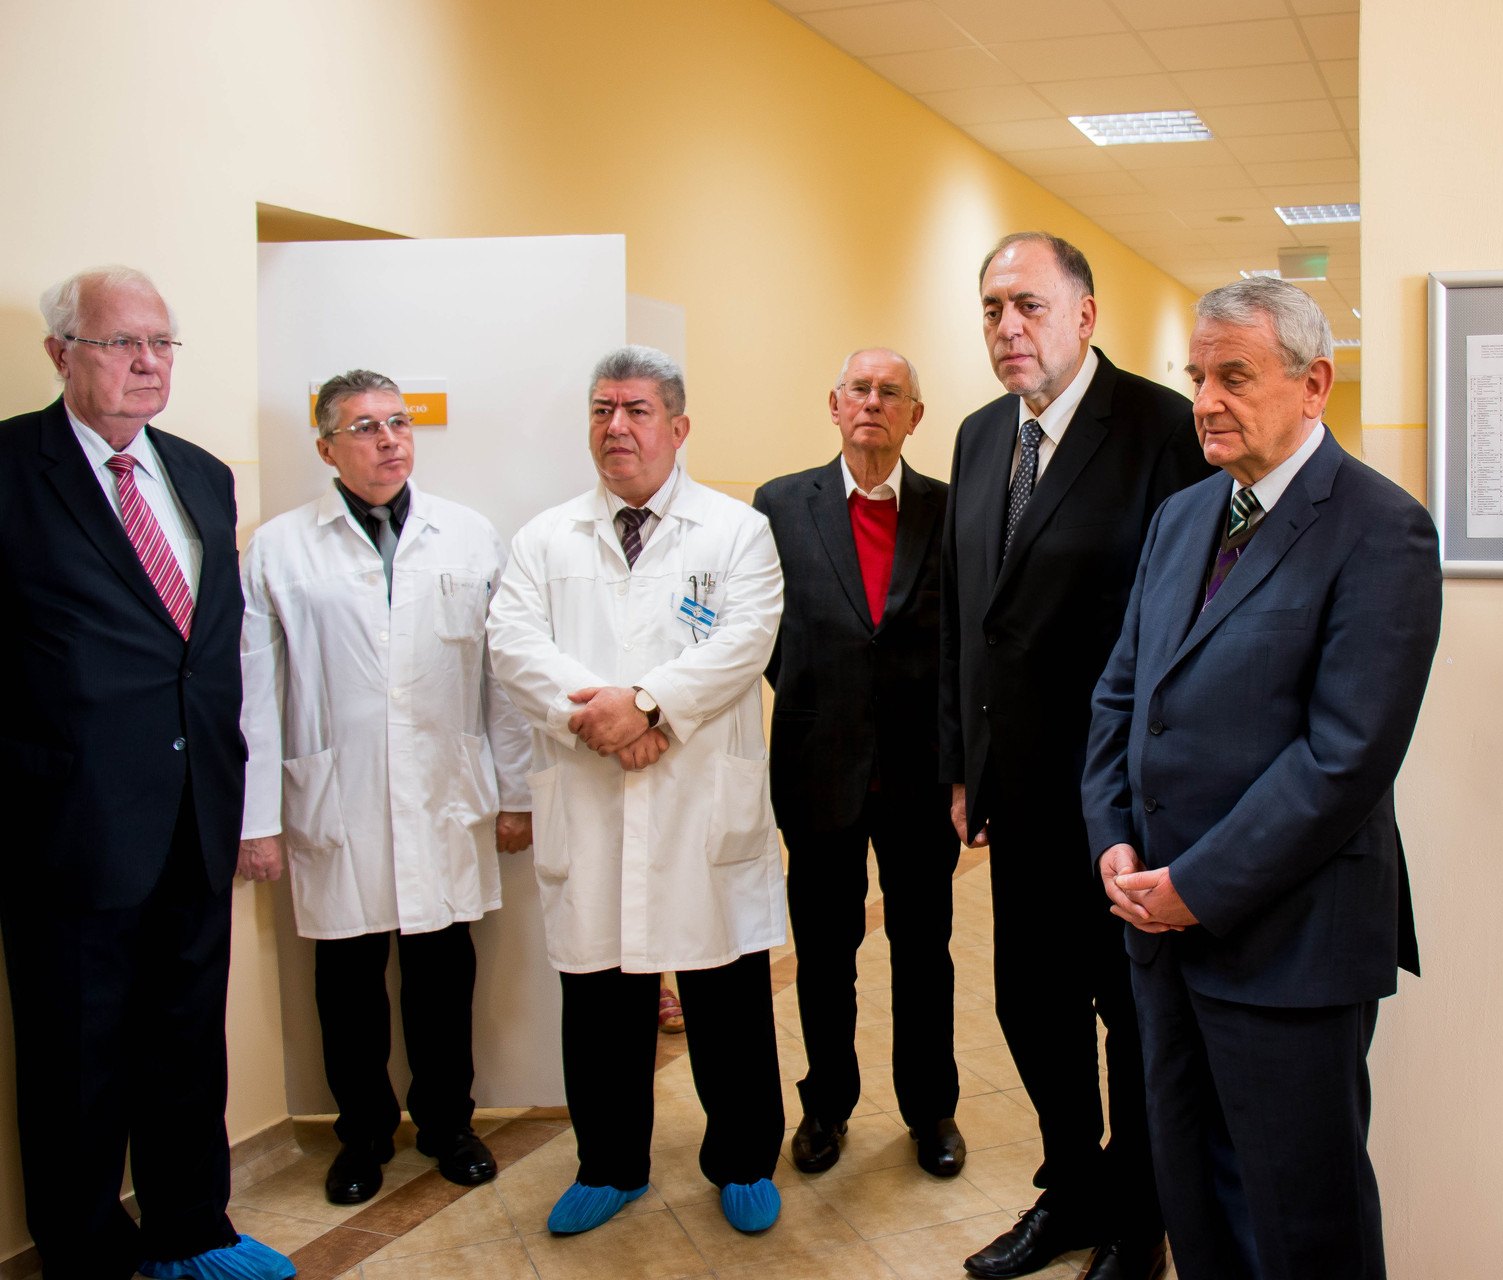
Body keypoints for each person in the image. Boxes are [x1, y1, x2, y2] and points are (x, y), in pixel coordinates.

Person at [1084, 278, 1439, 1280]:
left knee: (1301, 1221)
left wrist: (1194, 886)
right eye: (1197, 376)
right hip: (1159, 934)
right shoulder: (1182, 517)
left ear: (1313, 383)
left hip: (1289, 945)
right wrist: (1114, 840)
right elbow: (1121, 696)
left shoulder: (1381, 528)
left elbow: (1344, 757)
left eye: (1233, 376)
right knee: (1193, 1197)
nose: (1205, 401)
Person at [0, 267, 293, 1279]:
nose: (147, 363)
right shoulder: (11, 467)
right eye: (121, 342)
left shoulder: (201, 474)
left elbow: (212, 648)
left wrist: (248, 805)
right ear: (60, 354)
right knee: (75, 1059)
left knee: (185, 1040)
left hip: (192, 813)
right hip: (67, 823)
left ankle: (192, 1229)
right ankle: (85, 1253)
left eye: (162, 343)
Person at [941, 232, 1212, 1280]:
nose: (1009, 327)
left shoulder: (1160, 428)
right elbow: (967, 617)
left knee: (1130, 1014)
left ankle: (1140, 1214)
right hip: (1015, 793)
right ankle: (1073, 1188)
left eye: (1030, 305)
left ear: (1085, 316)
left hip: (1120, 798)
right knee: (1032, 1003)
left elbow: (1189, 623)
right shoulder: (979, 436)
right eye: (992, 308)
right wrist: (962, 762)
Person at [487, 345, 788, 1237]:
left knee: (726, 994)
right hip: (592, 791)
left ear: (678, 427)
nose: (616, 427)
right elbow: (513, 645)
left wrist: (649, 704)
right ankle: (610, 1165)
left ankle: (743, 1159)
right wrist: (604, 717)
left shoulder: (737, 531)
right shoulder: (545, 538)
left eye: (637, 410)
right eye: (602, 410)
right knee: (600, 997)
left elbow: (746, 640)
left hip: (700, 799)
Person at [236, 369, 533, 1205]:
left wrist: (517, 794)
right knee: (348, 984)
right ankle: (362, 1135)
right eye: (365, 427)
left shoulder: (468, 535)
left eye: (399, 422)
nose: (389, 440)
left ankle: (447, 1125)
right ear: (326, 446)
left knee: (444, 976)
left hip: (446, 794)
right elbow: (254, 692)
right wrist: (257, 820)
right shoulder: (280, 549)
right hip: (341, 797)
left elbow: (503, 682)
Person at [753, 348, 965, 1178]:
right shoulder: (781, 504)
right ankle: (826, 1106)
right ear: (835, 405)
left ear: (916, 415)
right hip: (819, 769)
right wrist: (822, 698)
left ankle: (931, 1110)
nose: (873, 403)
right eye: (860, 390)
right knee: (824, 954)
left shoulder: (949, 510)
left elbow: (961, 644)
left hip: (919, 776)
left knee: (924, 952)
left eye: (891, 393)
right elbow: (763, 633)